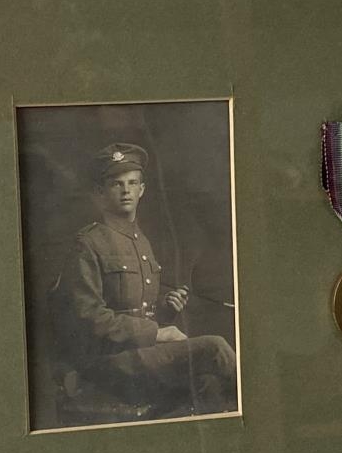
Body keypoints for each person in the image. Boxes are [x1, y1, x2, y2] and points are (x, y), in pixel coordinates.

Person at [51, 142, 237, 419]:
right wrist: (159, 333)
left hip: (141, 355)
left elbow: (138, 312)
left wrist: (166, 311)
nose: (125, 190)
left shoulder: (143, 243)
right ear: (100, 193)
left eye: (132, 183)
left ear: (142, 190)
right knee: (214, 348)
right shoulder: (88, 243)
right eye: (116, 184)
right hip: (106, 363)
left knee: (208, 385)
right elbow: (88, 318)